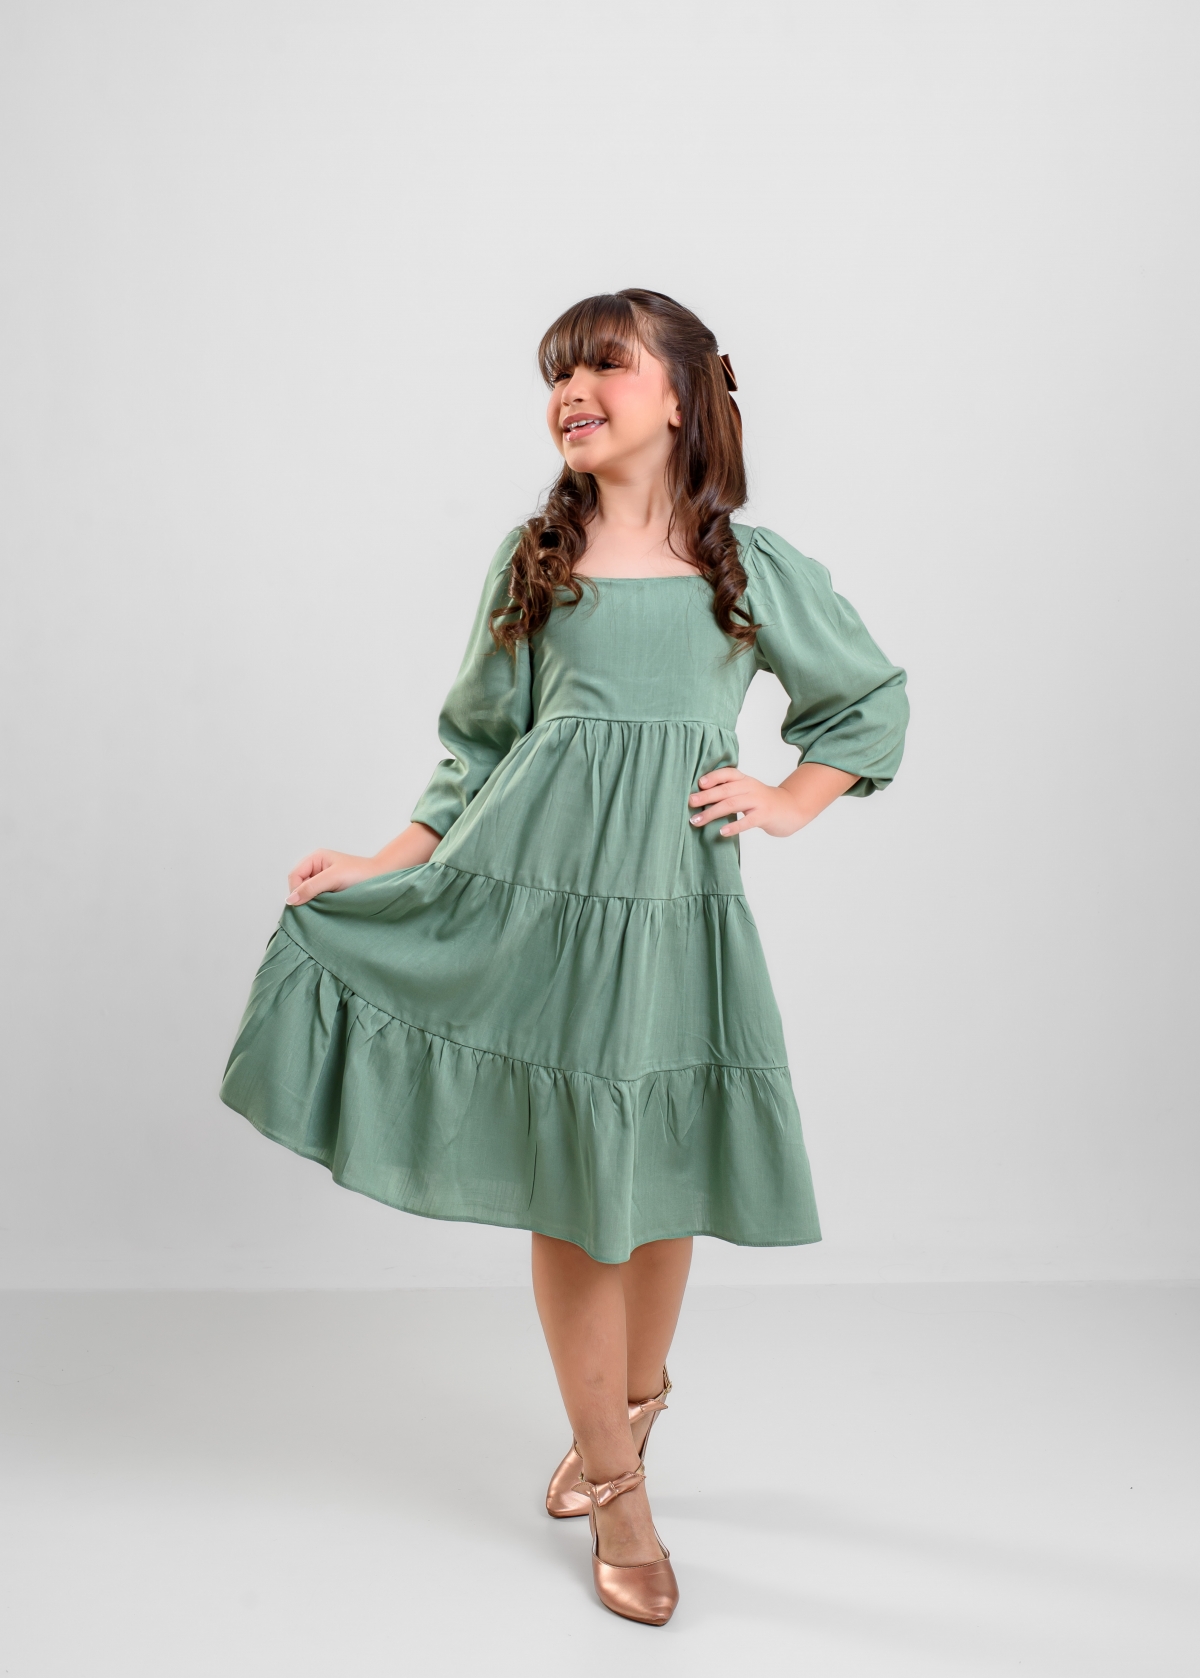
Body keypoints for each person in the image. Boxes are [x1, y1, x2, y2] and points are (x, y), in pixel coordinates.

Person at [221, 288, 909, 1626]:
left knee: (662, 1176)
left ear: (682, 395)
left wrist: (788, 797)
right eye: (557, 374)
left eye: (604, 366)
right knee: (577, 1188)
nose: (572, 391)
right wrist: (385, 861)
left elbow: (867, 698)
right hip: (530, 906)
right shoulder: (534, 558)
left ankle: (628, 1411)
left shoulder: (746, 568)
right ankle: (619, 1488)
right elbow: (476, 747)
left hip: (675, 911)